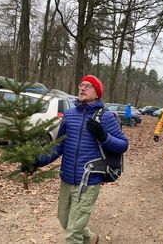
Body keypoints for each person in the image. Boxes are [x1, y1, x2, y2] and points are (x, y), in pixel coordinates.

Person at [30, 74, 128, 244]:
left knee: (72, 234)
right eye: (81, 85)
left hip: (89, 181)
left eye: (88, 86)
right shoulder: (69, 115)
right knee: (64, 220)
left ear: (97, 93)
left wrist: (104, 136)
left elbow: (123, 145)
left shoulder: (105, 117)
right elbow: (59, 146)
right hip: (67, 178)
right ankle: (90, 239)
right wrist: (37, 161)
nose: (82, 88)